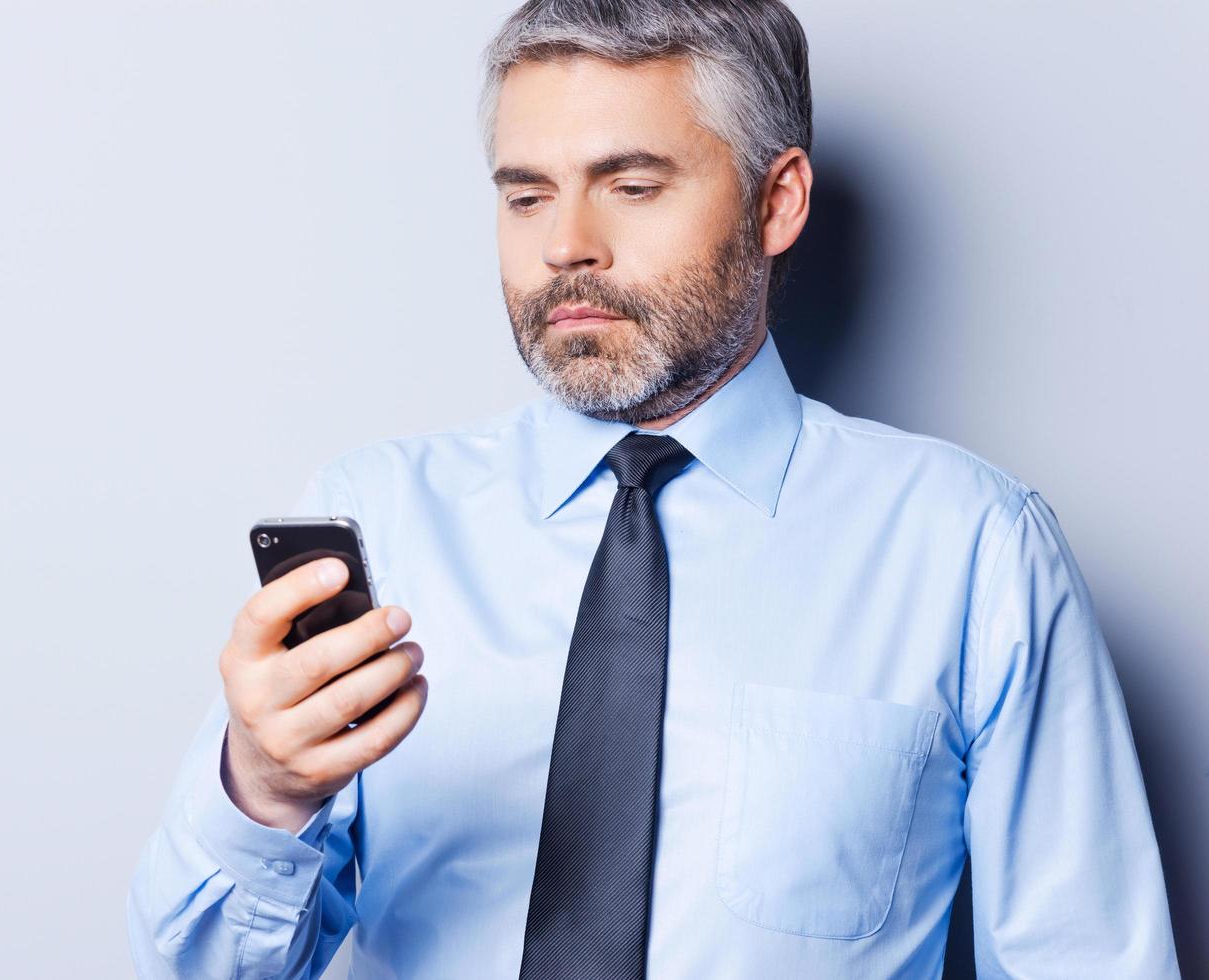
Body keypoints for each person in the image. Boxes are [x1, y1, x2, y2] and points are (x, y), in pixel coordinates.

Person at [126, 1, 1181, 976]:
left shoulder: (969, 549)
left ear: (776, 202)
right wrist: (265, 791)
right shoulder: (385, 517)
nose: (564, 245)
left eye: (629, 185)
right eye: (525, 193)